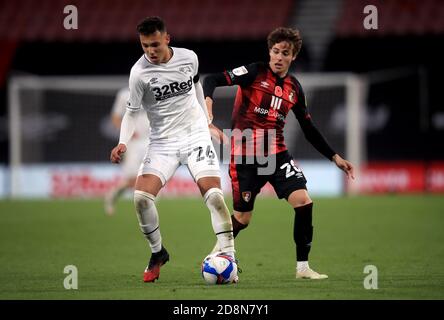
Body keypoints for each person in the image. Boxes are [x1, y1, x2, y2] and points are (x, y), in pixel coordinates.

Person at [203, 27, 354, 280]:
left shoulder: (294, 88)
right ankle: (216, 254)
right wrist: (208, 105)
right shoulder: (254, 72)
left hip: (277, 152)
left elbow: (308, 128)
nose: (279, 56)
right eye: (275, 51)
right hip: (245, 154)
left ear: (293, 56)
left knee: (304, 202)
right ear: (269, 52)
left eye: (285, 53)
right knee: (242, 217)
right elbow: (212, 80)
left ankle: (303, 268)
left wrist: (335, 157)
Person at [110, 16, 236, 283]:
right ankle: (158, 253)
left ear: (167, 39)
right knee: (141, 199)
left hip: (195, 137)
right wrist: (122, 141)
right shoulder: (139, 73)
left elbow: (197, 87)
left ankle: (230, 256)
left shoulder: (189, 58)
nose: (150, 51)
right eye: (145, 46)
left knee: (214, 196)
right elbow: (131, 113)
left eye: (155, 44)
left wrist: (208, 122)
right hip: (162, 143)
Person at [105, 88, 150, 216]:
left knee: (151, 176)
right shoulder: (124, 95)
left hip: (151, 139)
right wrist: (127, 132)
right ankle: (112, 196)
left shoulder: (154, 90)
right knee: (131, 180)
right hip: (133, 143)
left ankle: (147, 211)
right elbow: (115, 117)